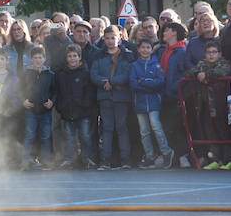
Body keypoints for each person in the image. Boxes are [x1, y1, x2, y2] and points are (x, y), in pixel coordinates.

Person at [90, 25, 134, 169]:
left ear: (119, 37)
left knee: (121, 128)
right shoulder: (99, 56)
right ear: (104, 38)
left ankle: (125, 160)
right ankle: (105, 160)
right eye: (107, 38)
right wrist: (104, 83)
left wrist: (112, 82)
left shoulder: (127, 55)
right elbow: (94, 74)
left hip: (121, 97)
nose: (110, 41)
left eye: (113, 38)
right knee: (107, 128)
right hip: (104, 96)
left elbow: (127, 74)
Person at [184, 40, 231, 169]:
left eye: (214, 52)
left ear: (219, 53)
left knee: (224, 132)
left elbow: (223, 71)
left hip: (221, 104)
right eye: (208, 52)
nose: (211, 55)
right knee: (211, 133)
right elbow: (189, 72)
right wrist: (198, 74)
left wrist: (207, 75)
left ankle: (228, 160)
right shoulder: (202, 64)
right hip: (205, 105)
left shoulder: (224, 63)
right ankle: (215, 159)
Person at [129, 38, 174, 169]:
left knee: (156, 126)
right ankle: (150, 155)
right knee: (144, 131)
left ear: (151, 49)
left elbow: (159, 83)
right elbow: (133, 84)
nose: (145, 50)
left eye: (148, 47)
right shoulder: (134, 66)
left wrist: (142, 81)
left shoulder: (156, 64)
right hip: (140, 102)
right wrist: (149, 83)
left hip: (154, 101)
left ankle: (166, 151)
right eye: (142, 47)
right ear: (138, 49)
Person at [55, 44, 96, 169]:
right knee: (69, 137)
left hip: (83, 112)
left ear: (80, 57)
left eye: (75, 56)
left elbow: (89, 93)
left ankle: (87, 158)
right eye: (69, 56)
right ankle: (69, 159)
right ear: (66, 58)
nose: (72, 59)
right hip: (68, 111)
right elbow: (59, 92)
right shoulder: (62, 74)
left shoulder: (85, 73)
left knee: (85, 136)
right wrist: (61, 107)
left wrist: (85, 106)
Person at [157, 21, 190, 167]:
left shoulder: (181, 51)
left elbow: (185, 72)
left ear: (175, 32)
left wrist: (175, 87)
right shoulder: (166, 51)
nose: (164, 33)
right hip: (164, 95)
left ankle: (183, 155)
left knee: (177, 126)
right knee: (168, 126)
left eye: (167, 30)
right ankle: (177, 155)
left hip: (174, 95)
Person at [19, 46, 56, 170]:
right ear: (31, 59)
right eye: (35, 58)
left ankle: (45, 161)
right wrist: (23, 100)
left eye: (40, 57)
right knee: (29, 135)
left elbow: (55, 91)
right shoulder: (26, 73)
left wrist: (52, 101)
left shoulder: (50, 74)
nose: (38, 60)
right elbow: (19, 90)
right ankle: (25, 160)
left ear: (44, 59)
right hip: (31, 110)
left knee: (45, 136)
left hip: (45, 111)